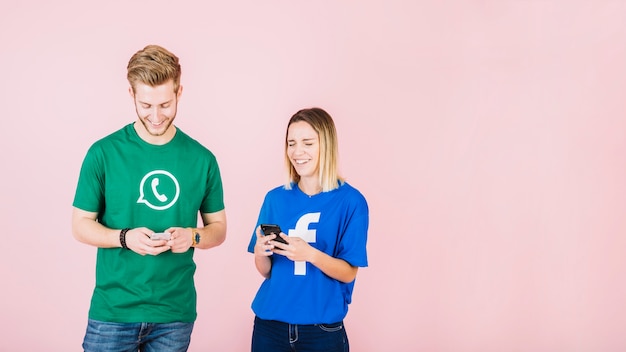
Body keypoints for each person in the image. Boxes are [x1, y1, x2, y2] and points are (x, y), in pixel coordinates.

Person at [71, 44, 227, 351]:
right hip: (113, 312)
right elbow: (80, 225)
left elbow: (218, 228)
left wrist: (193, 236)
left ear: (179, 92)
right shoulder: (103, 154)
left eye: (165, 105)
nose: (156, 116)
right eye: (145, 105)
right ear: (131, 95)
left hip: (174, 315)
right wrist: (124, 238)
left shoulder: (202, 159)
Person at [247, 107, 369, 352]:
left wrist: (310, 254)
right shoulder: (275, 198)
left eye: (307, 143)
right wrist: (261, 252)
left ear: (326, 145)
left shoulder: (351, 201)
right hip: (270, 325)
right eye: (291, 143)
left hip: (321, 330)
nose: (297, 152)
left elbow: (349, 273)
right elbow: (266, 272)